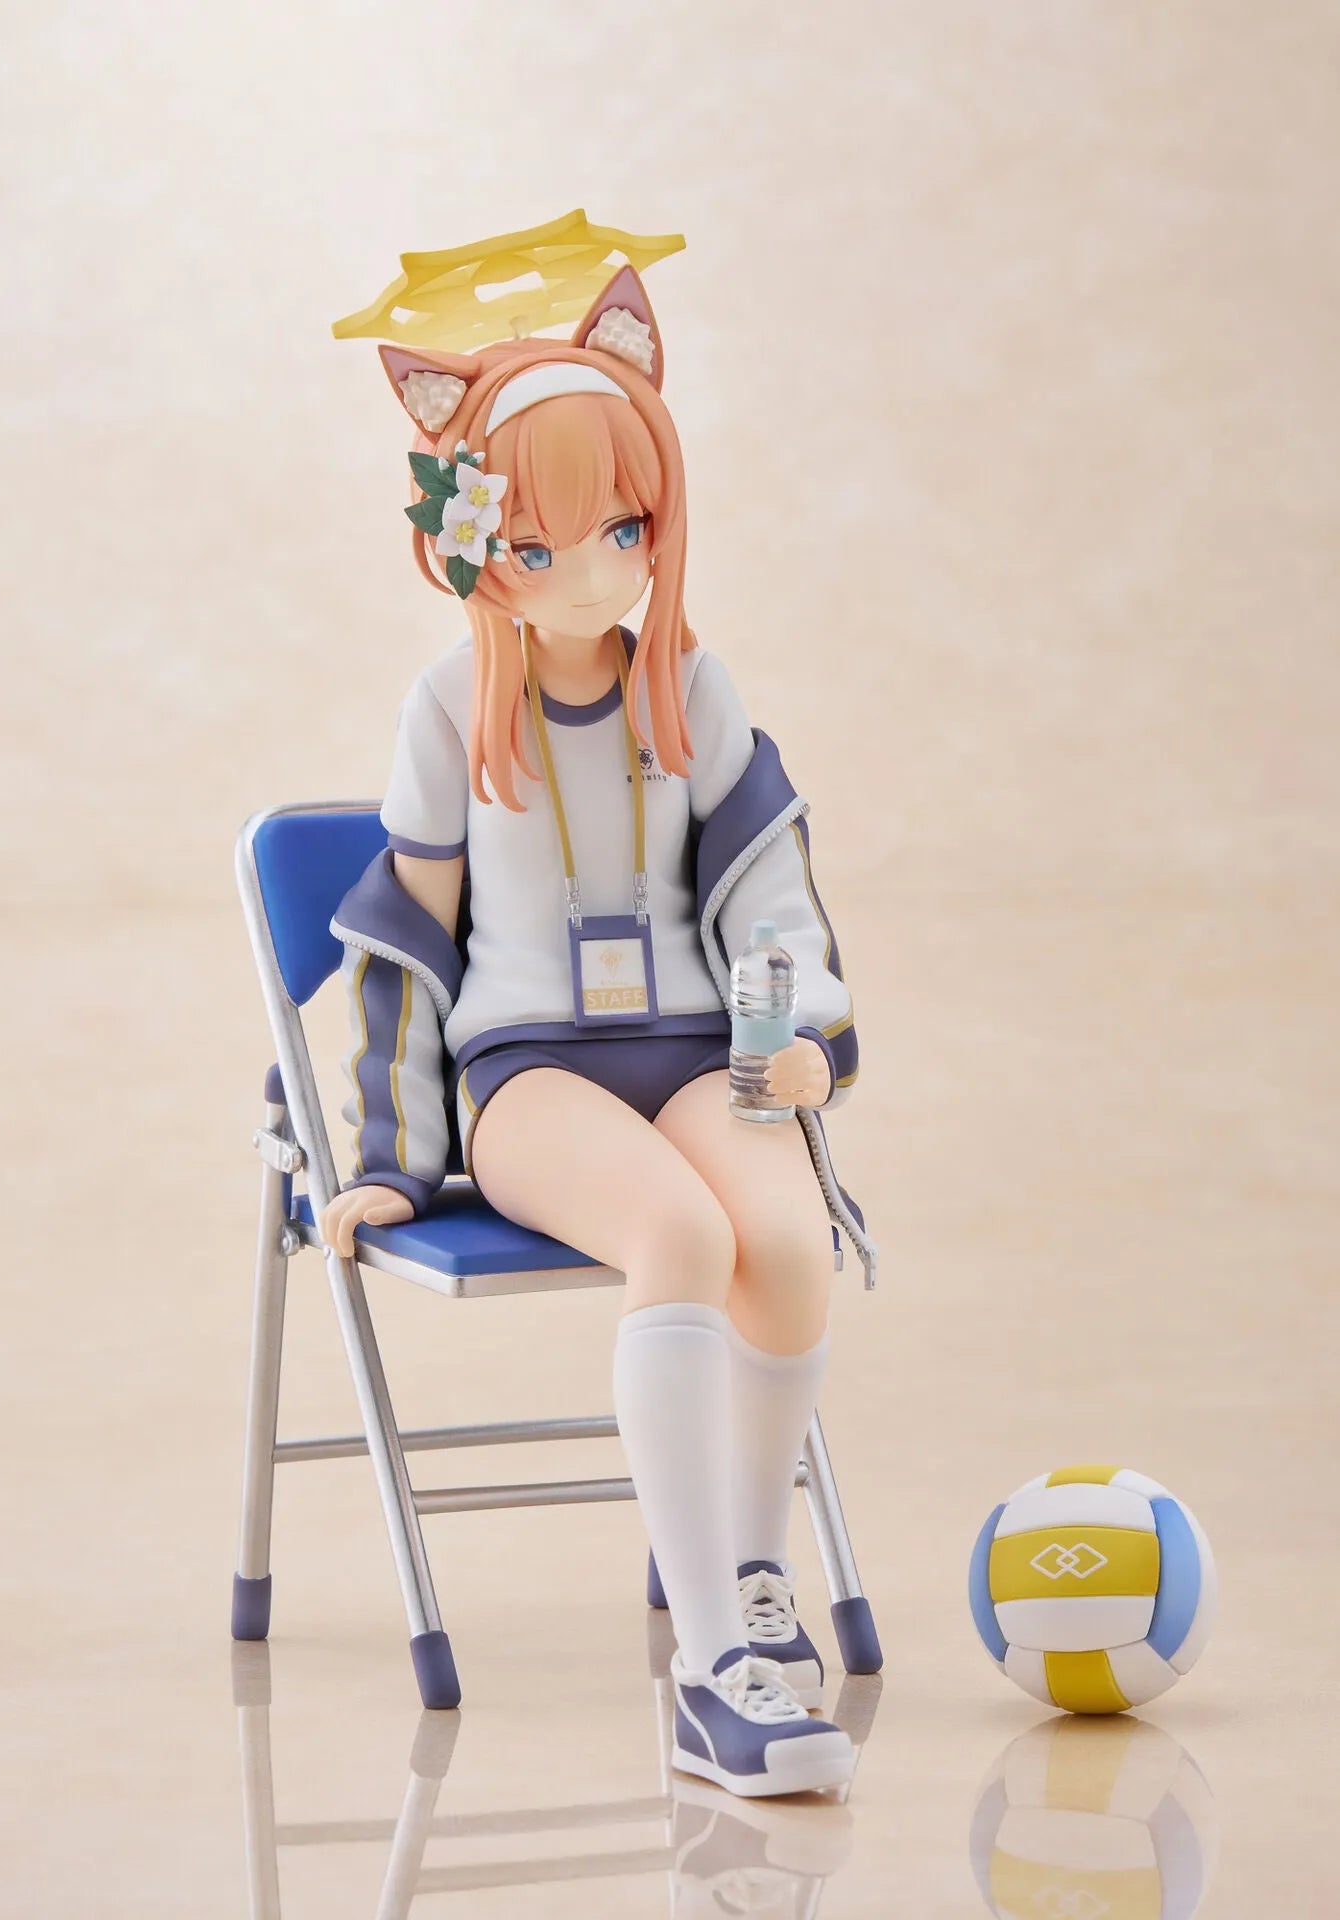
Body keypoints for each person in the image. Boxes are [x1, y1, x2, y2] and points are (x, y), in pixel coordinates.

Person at [322, 261, 866, 1798]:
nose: (595, 570)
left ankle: (747, 1573)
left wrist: (800, 1034)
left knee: (789, 1238)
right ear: (473, 544)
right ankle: (712, 1672)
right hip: (530, 1073)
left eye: (628, 530)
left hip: (698, 1050)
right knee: (680, 1238)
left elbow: (766, 895)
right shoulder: (450, 706)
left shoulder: (690, 686)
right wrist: (390, 1155)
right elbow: (406, 940)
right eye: (545, 541)